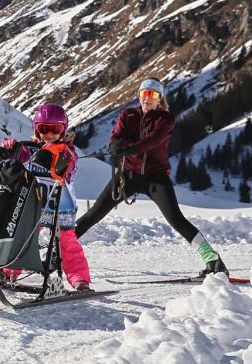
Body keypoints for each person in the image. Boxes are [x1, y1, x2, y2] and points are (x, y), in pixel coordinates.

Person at [74, 77, 228, 278]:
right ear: (139, 95)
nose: (147, 99)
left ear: (159, 98)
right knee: (93, 214)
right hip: (127, 177)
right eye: (144, 94)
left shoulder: (165, 119)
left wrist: (128, 148)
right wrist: (116, 147)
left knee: (176, 219)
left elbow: (153, 141)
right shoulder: (127, 115)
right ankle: (55, 256)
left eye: (152, 95)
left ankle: (213, 260)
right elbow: (115, 139)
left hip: (156, 179)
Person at [1, 103, 92, 291]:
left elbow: (69, 164)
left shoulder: (67, 150)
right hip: (35, 203)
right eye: (44, 129)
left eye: (55, 129)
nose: (49, 134)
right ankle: (10, 271)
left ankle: (79, 278)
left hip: (60, 205)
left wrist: (52, 154)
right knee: (24, 237)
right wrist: (12, 150)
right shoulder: (32, 148)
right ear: (36, 128)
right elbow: (21, 156)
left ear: (63, 130)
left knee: (67, 243)